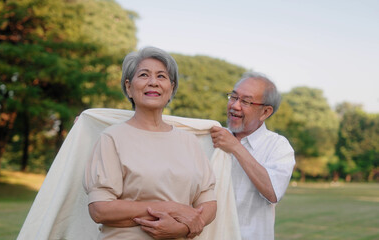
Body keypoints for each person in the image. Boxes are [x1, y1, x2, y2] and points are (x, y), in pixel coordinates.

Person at [83, 47, 217, 239]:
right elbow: (100, 210)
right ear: (129, 87)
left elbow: (209, 202)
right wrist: (172, 209)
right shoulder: (112, 138)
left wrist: (182, 229)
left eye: (161, 76)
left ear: (171, 89)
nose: (153, 82)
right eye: (144, 75)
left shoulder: (189, 142)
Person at [210, 72, 295, 240]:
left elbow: (273, 192)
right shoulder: (213, 137)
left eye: (246, 101)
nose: (235, 106)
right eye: (233, 97)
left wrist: (235, 147)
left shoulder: (278, 146)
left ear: (265, 112)